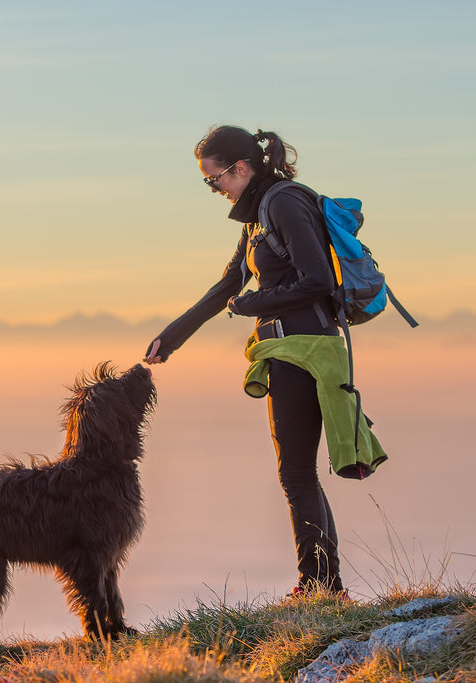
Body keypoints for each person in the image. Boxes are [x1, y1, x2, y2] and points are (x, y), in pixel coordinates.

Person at [143, 124, 362, 595]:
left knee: (296, 473)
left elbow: (318, 279)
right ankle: (325, 585)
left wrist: (253, 305)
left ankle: (319, 587)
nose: (214, 189)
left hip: (303, 349)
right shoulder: (257, 216)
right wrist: (171, 338)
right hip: (287, 348)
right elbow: (226, 286)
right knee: (298, 472)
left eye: (213, 178)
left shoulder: (282, 203)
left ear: (240, 168)